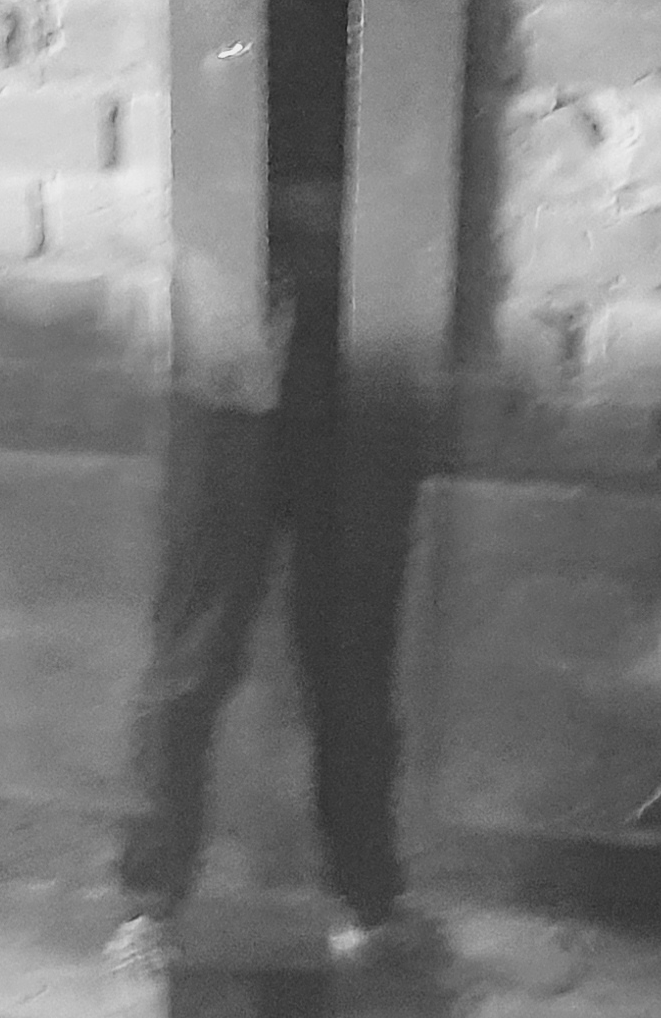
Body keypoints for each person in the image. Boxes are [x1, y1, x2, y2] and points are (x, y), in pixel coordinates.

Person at [110, 237, 432, 979]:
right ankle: (153, 903)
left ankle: (367, 903)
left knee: (347, 662)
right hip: (237, 345)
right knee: (197, 660)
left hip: (359, 350)